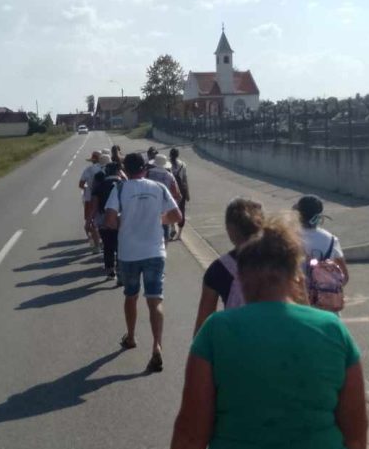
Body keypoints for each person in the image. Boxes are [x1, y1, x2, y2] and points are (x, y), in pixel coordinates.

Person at [157, 216, 369, 449]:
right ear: (295, 274)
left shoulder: (216, 332)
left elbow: (192, 431)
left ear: (241, 277)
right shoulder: (332, 330)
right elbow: (356, 430)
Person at [104, 152, 181, 372]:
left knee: (131, 296)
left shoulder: (119, 189)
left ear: (125, 171)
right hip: (155, 252)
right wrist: (159, 219)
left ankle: (130, 337)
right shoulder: (159, 187)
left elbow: (109, 221)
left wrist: (126, 222)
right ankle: (157, 346)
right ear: (145, 169)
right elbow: (176, 216)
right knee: (155, 300)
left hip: (129, 253)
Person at [192, 198, 264, 335]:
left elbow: (203, 324)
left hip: (236, 340)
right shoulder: (281, 261)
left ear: (230, 230)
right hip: (277, 341)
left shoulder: (219, 269)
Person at [293, 195, 349, 283]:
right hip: (322, 290)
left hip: (295, 289)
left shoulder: (288, 236)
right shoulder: (331, 240)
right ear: (319, 217)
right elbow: (344, 276)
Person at [91, 161, 124, 282]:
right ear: (118, 171)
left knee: (108, 246)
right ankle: (120, 271)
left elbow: (94, 207)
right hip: (121, 220)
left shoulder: (99, 186)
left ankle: (110, 272)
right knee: (121, 247)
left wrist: (90, 220)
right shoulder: (124, 184)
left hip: (103, 221)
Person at [146, 154, 183, 241]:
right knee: (164, 237)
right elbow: (177, 195)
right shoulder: (169, 176)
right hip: (163, 211)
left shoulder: (147, 173)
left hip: (147, 209)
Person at [78, 151, 103, 253]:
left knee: (90, 221)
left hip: (90, 198)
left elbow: (81, 184)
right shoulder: (105, 168)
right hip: (103, 198)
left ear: (93, 160)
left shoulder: (88, 169)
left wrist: (87, 188)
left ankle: (94, 243)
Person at [169, 147, 190, 233]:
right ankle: (179, 233)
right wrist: (187, 193)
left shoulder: (167, 164)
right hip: (181, 189)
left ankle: (172, 227)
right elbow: (185, 179)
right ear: (178, 155)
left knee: (171, 208)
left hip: (171, 189)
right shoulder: (183, 164)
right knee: (181, 209)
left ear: (170, 155)